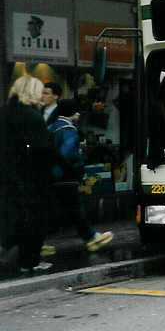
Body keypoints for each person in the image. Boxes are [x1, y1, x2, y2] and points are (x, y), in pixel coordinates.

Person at [0, 76, 55, 273]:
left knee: (10, 218)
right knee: (33, 221)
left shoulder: (4, 113)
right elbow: (42, 151)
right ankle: (29, 261)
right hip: (29, 178)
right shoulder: (33, 117)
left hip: (6, 177)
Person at [48, 100, 114, 252]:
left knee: (59, 209)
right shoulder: (69, 129)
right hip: (67, 175)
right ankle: (91, 238)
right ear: (70, 113)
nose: (78, 113)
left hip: (53, 175)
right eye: (75, 111)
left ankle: (35, 244)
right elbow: (67, 152)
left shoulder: (52, 127)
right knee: (76, 208)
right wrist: (76, 166)